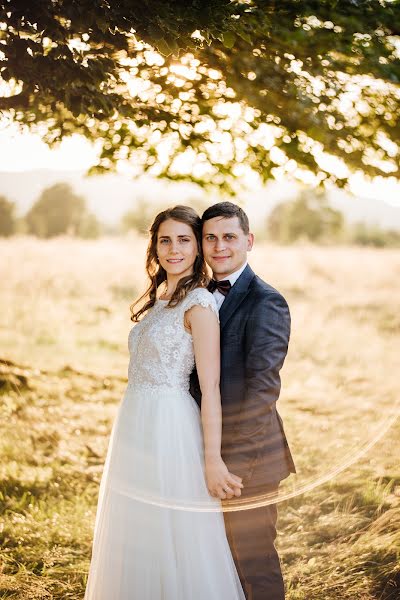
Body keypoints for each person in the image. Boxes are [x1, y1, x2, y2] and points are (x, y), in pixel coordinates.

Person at [84, 205, 246, 600]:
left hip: (170, 427)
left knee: (173, 534)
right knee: (138, 530)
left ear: (197, 248)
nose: (173, 249)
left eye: (184, 240)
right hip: (135, 422)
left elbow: (210, 387)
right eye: (165, 240)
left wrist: (211, 459)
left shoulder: (200, 305)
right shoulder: (161, 298)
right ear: (155, 248)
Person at [190, 201, 296, 600]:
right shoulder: (195, 296)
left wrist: (233, 466)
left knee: (252, 561)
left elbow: (263, 390)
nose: (220, 247)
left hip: (248, 460)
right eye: (211, 238)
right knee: (214, 561)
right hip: (202, 451)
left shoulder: (266, 301)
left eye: (229, 237)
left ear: (248, 241)